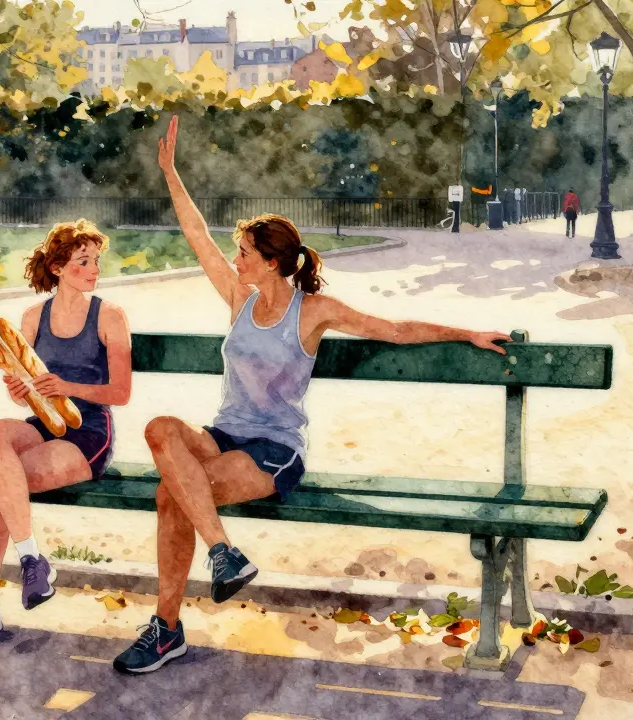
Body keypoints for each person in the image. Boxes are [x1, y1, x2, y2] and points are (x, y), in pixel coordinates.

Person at [111, 115, 514, 675]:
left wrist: (466, 332)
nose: (235, 261)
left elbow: (393, 329)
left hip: (275, 449)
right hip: (224, 433)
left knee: (170, 494)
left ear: (271, 261)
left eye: (244, 253)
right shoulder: (240, 298)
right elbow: (196, 234)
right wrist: (171, 174)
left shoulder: (313, 311)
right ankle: (223, 554)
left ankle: (167, 629)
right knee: (160, 429)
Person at [0, 219, 133, 651]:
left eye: (96, 261)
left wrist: (67, 386)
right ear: (58, 267)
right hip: (44, 423)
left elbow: (121, 392)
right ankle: (30, 559)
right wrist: (19, 388)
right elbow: (23, 394)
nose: (94, 269)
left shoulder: (109, 316)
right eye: (84, 261)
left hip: (88, 432)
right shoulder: (32, 318)